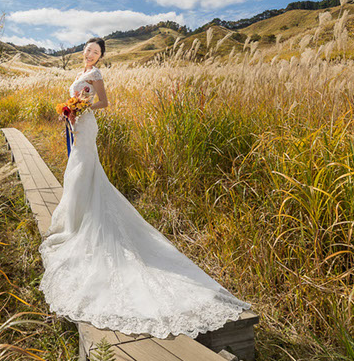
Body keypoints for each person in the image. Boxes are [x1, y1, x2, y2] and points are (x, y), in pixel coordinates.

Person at [38, 37, 252, 339]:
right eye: (88, 49)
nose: (90, 53)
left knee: (85, 170)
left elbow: (104, 103)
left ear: (100, 56)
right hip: (76, 125)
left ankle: (87, 219)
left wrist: (82, 107)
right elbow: (76, 99)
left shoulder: (95, 74)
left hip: (86, 125)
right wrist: (69, 111)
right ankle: (77, 218)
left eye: (96, 51)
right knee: (77, 172)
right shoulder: (79, 73)